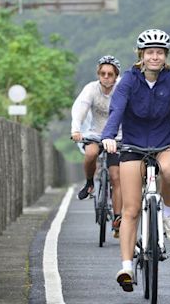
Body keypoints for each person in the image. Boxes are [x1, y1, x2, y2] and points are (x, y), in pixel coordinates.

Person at [101, 29, 170, 291]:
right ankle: (126, 267)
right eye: (150, 53)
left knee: (169, 170)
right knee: (131, 210)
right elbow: (117, 109)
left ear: (165, 56)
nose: (155, 57)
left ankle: (168, 214)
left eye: (159, 52)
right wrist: (109, 136)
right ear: (141, 56)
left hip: (164, 143)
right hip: (132, 145)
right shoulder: (128, 81)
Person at [71, 55, 123, 237]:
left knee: (116, 177)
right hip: (96, 134)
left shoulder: (123, 89)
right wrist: (76, 129)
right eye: (103, 73)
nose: (106, 77)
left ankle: (117, 220)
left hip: (118, 136)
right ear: (98, 74)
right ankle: (89, 183)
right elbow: (80, 108)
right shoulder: (91, 89)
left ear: (116, 75)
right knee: (91, 153)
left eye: (110, 74)